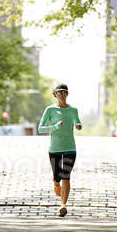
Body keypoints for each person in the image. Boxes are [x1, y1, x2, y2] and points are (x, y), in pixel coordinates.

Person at [38, 83, 82, 217]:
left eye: (64, 92)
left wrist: (78, 125)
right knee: (58, 176)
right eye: (59, 92)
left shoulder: (73, 110)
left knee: (66, 177)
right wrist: (55, 126)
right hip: (55, 149)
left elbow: (76, 121)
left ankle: (63, 205)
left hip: (70, 148)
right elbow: (41, 128)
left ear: (67, 94)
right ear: (55, 94)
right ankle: (55, 182)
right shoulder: (50, 110)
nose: (62, 94)